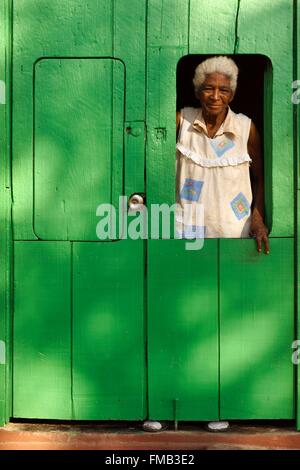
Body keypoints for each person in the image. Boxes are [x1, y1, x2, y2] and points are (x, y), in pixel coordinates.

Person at [143, 55, 269, 433]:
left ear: (233, 93)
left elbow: (261, 176)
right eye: (209, 88)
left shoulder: (246, 128)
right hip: (185, 232)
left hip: (233, 233)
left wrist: (259, 215)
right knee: (174, 318)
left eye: (224, 89)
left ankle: (219, 403)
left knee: (222, 324)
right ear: (198, 90)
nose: (216, 95)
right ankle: (164, 401)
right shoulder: (181, 121)